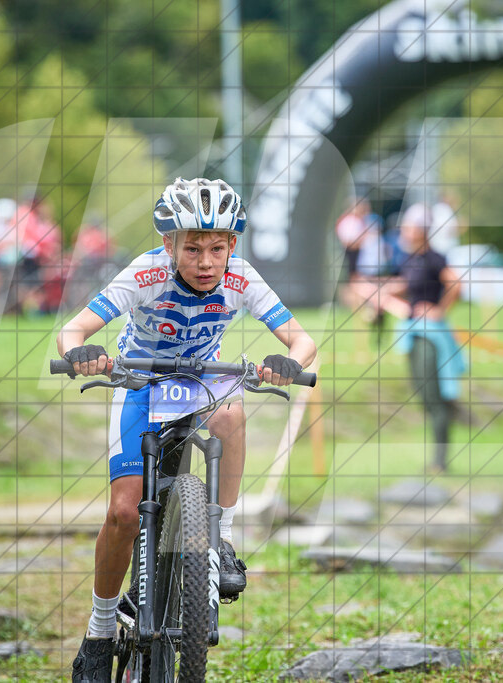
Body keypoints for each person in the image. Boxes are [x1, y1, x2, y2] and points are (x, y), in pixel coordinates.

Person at [57, 177, 317, 682]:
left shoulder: (241, 276)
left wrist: (288, 362)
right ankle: (100, 629)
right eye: (192, 249)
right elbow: (73, 329)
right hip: (141, 379)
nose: (205, 262)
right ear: (168, 244)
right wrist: (80, 352)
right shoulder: (146, 273)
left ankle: (223, 540)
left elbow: (302, 341)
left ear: (232, 246)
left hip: (202, 380)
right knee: (123, 512)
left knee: (231, 414)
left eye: (216, 249)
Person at [380, 204, 466, 473]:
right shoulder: (408, 259)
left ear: (422, 230)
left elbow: (456, 284)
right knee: (423, 395)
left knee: (435, 396)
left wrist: (439, 309)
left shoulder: (434, 258)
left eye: (409, 227)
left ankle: (440, 462)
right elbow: (405, 286)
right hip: (412, 334)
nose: (404, 232)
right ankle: (438, 456)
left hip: (432, 336)